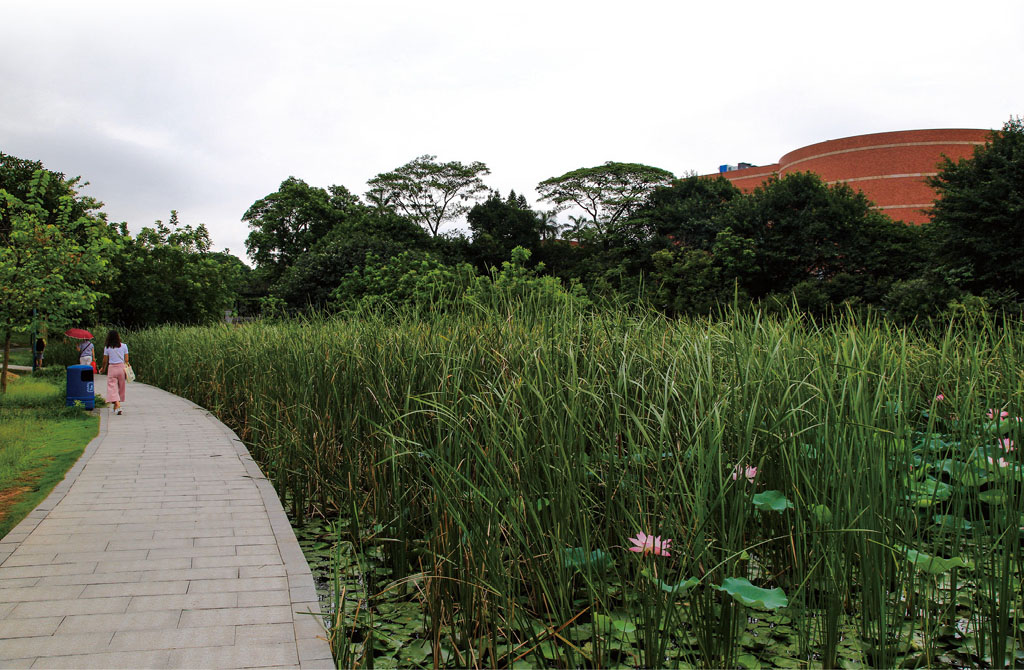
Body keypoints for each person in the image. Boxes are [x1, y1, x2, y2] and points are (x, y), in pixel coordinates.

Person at [100, 330, 129, 415]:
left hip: (112, 368)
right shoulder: (124, 346)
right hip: (121, 368)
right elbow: (126, 360)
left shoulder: (107, 347)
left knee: (112, 388)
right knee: (120, 387)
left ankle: (118, 406)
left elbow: (105, 360)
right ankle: (116, 406)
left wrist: (103, 368)